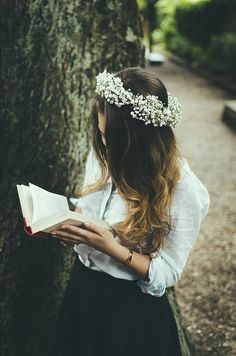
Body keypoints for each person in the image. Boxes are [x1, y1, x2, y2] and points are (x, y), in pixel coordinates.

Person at [48, 67, 210, 356]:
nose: (104, 144)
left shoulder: (183, 189)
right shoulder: (103, 150)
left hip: (129, 313)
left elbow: (168, 272)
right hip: (82, 294)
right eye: (101, 133)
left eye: (111, 137)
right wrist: (72, 225)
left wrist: (111, 247)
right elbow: (99, 210)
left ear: (138, 140)